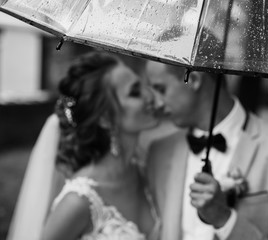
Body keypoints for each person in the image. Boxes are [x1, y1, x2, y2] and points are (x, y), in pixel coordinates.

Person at [145, 29, 268, 240]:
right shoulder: (159, 152)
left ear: (195, 80)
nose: (158, 103)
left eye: (160, 89)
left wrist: (224, 219)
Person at [9, 51, 160, 240]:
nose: (150, 96)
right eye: (135, 92)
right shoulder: (78, 201)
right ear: (105, 118)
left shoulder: (149, 172)